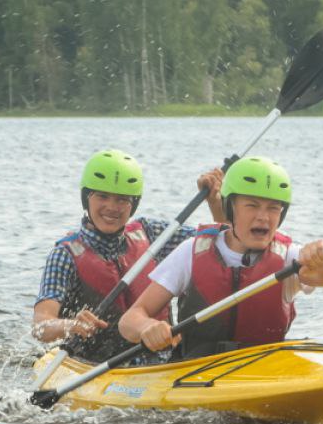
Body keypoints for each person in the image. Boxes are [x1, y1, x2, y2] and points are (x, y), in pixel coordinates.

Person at [118, 156, 323, 360]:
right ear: (230, 207)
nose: (263, 217)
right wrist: (147, 327)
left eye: (273, 208)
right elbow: (129, 320)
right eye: (252, 206)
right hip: (193, 373)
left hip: (263, 371)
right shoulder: (191, 252)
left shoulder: (290, 257)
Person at [32, 148, 225, 363]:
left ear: (133, 204)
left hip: (161, 361)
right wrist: (69, 325)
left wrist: (215, 202)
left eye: (122, 199)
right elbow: (40, 325)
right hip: (95, 365)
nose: (112, 207)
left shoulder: (152, 234)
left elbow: (220, 242)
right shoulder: (65, 255)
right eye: (102, 196)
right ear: (86, 198)